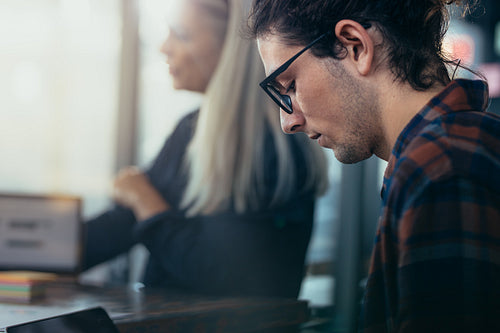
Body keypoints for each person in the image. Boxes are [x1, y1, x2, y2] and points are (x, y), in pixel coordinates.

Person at [248, 0, 500, 331]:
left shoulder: (440, 168)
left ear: (355, 46)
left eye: (291, 85)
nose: (288, 122)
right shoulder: (445, 153)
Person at [81, 0, 328, 298]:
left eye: (182, 35)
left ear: (232, 50)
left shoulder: (277, 147)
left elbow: (222, 277)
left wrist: (142, 199)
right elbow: (121, 224)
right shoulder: (190, 131)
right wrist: (31, 246)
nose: (164, 48)